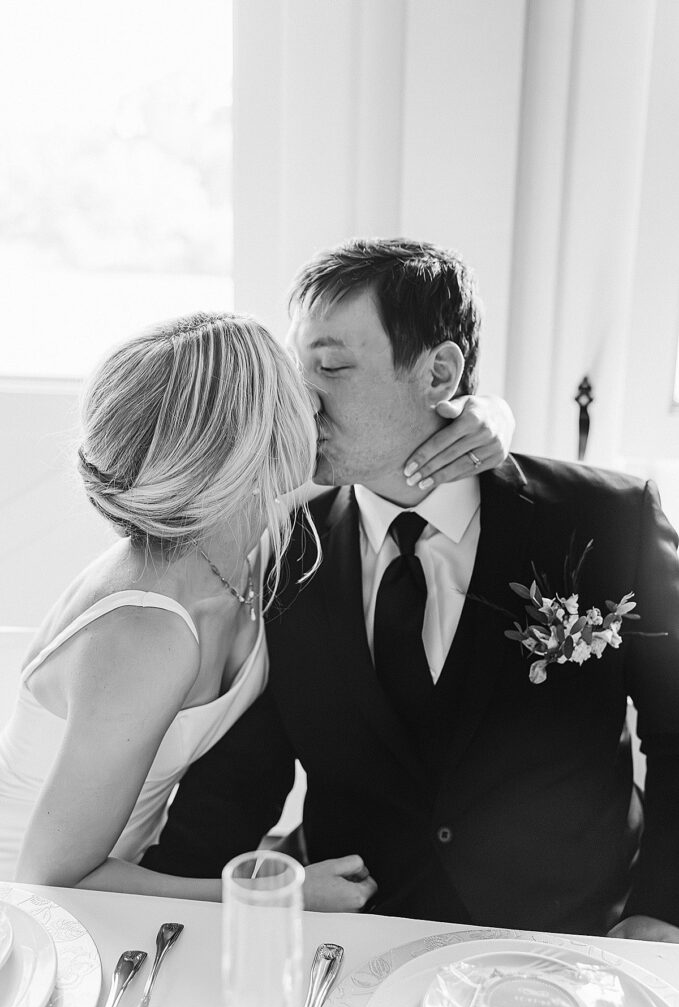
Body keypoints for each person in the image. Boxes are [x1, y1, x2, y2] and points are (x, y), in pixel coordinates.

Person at [143, 238, 679, 941]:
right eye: (295, 367)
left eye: (331, 365)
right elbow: (241, 779)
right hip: (358, 944)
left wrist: (659, 912)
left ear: (439, 373)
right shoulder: (282, 552)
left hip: (568, 941)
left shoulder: (606, 521)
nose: (301, 398)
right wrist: (142, 909)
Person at [0, 310, 511, 907]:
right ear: (243, 451)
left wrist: (489, 415)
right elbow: (49, 880)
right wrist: (280, 896)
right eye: (293, 390)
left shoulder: (241, 528)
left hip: (131, 882)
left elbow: (388, 455)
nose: (316, 404)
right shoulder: (148, 630)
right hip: (38, 924)